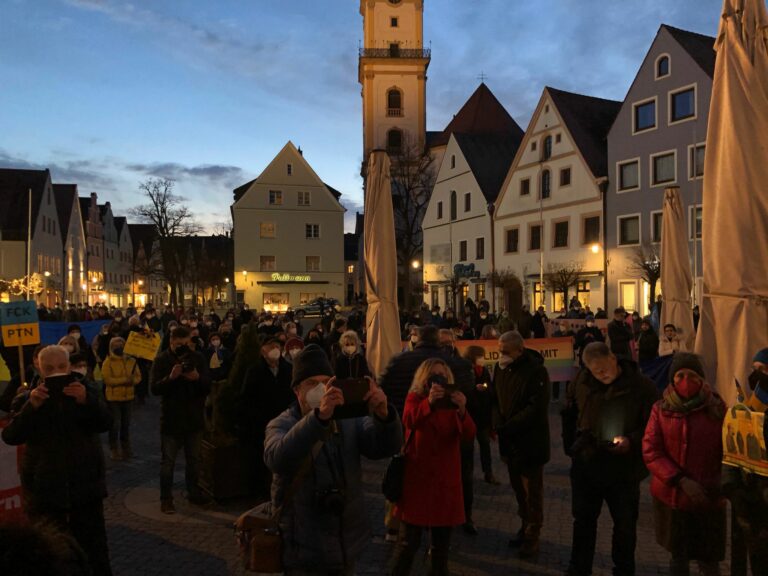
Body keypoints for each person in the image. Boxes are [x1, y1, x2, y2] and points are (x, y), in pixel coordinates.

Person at [263, 344, 402, 575]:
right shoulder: (282, 423)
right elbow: (277, 459)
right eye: (311, 383)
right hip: (304, 546)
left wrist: (385, 416)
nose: (320, 389)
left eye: (326, 382)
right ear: (297, 390)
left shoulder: (348, 419)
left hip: (346, 542)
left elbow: (383, 447)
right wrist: (318, 419)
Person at [2, 345, 113, 576]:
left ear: (69, 366)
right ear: (40, 369)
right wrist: (31, 407)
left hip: (85, 487)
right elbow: (11, 436)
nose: (56, 372)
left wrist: (85, 401)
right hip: (45, 489)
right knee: (50, 552)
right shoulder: (27, 396)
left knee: (94, 551)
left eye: (61, 367)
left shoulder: (87, 388)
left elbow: (106, 422)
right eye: (50, 368)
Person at [562, 342, 658, 576]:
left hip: (623, 470)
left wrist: (631, 441)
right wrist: (572, 446)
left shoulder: (642, 386)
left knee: (624, 526)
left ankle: (624, 570)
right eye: (596, 371)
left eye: (605, 368)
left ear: (613, 358)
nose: (602, 374)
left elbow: (652, 425)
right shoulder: (582, 382)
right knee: (583, 522)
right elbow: (569, 412)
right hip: (587, 465)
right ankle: (579, 569)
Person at [642, 353, 726, 576]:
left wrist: (718, 483)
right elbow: (651, 451)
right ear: (672, 379)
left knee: (709, 561)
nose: (686, 380)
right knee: (678, 559)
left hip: (709, 497)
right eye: (680, 375)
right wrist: (680, 480)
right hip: (674, 498)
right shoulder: (660, 409)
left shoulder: (718, 409)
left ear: (702, 379)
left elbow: (728, 451)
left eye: (692, 375)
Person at [391, 358, 476, 576]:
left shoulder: (453, 404)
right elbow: (408, 419)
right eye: (433, 377)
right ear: (424, 379)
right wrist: (428, 403)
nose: (438, 381)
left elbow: (468, 434)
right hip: (418, 480)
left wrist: (463, 410)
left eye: (442, 377)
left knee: (440, 550)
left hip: (445, 483)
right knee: (407, 545)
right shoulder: (416, 398)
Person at [493, 331, 550, 558]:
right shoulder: (500, 368)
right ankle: (523, 525)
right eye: (499, 350)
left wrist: (510, 425)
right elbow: (495, 398)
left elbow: (536, 408)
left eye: (506, 351)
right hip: (510, 443)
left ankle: (532, 536)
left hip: (530, 443)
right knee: (519, 490)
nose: (501, 355)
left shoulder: (537, 372)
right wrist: (497, 421)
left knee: (532, 494)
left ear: (519, 350)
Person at [149, 326, 212, 513]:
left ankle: (193, 492)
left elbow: (207, 385)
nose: (183, 348)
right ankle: (166, 498)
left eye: (186, 344)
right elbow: (154, 388)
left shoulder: (198, 358)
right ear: (171, 342)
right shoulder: (162, 360)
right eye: (179, 344)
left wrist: (197, 378)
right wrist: (171, 378)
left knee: (194, 460)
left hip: (193, 418)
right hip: (171, 418)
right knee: (168, 462)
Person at [721, 347, 768, 576]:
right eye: (755, 369)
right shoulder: (752, 401)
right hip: (750, 493)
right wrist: (731, 485)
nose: (758, 374)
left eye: (764, 370)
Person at [101, 336, 141, 461]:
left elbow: (138, 376)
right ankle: (114, 448)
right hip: (113, 398)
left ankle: (126, 448)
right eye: (116, 346)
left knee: (126, 424)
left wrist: (133, 382)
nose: (119, 348)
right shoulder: (108, 362)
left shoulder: (131, 361)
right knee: (115, 424)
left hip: (128, 397)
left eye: (121, 345)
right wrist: (125, 380)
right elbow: (107, 380)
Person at [463, 345, 497, 486]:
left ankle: (488, 473)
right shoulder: (465, 371)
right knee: (468, 448)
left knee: (485, 445)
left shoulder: (483, 371)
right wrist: (474, 389)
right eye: (480, 356)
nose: (482, 359)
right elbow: (463, 390)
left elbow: (490, 387)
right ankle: (468, 475)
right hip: (470, 414)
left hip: (483, 415)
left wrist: (486, 388)